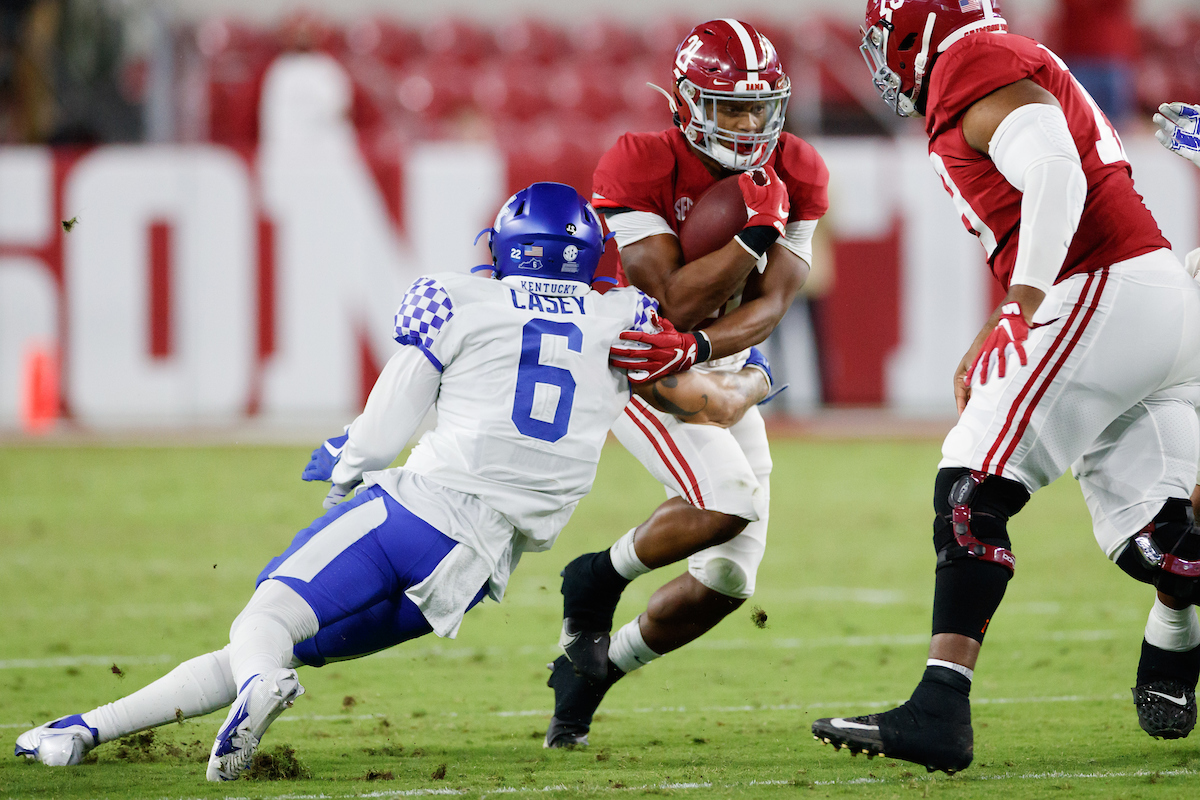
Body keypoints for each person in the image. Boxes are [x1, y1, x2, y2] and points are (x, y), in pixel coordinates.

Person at [14, 182, 775, 780]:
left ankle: (252, 690)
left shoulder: (462, 298)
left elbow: (384, 431)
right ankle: (86, 729)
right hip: (474, 571)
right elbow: (699, 397)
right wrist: (755, 377)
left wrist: (346, 465)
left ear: (512, 245)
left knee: (264, 622)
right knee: (274, 650)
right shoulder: (623, 320)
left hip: (417, 512)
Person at [811, 0, 1200, 774]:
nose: (882, 59)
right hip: (1151, 296)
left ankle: (940, 707)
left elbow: (1054, 168)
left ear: (915, 28)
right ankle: (1175, 645)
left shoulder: (968, 61)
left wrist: (1020, 305)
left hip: (1098, 286)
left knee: (971, 489)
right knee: (1158, 544)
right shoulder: (1002, 58)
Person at [544, 19, 829, 748]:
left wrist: (702, 345)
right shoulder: (638, 161)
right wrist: (748, 238)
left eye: (758, 107)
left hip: (711, 360)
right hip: (634, 365)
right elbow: (668, 302)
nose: (746, 122)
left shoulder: (798, 167)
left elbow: (770, 306)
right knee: (727, 501)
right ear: (684, 100)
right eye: (728, 106)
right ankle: (596, 577)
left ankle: (598, 673)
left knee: (730, 580)